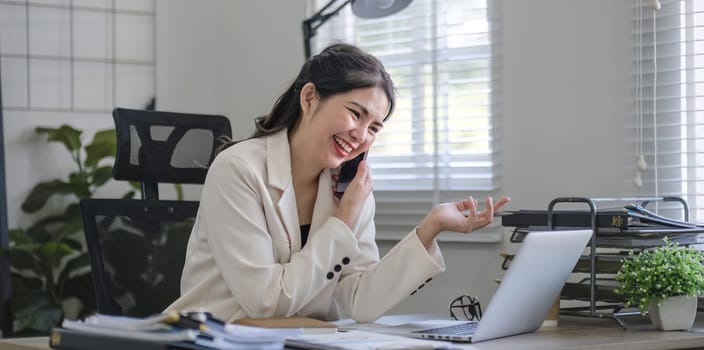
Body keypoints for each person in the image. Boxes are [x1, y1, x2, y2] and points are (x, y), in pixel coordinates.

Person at [166, 43, 510, 323]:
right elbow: (266, 302)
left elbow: (361, 301)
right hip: (216, 340)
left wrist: (431, 227)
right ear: (310, 98)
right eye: (355, 113)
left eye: (374, 128)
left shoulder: (349, 189)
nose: (360, 136)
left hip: (300, 341)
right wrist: (344, 220)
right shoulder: (239, 170)